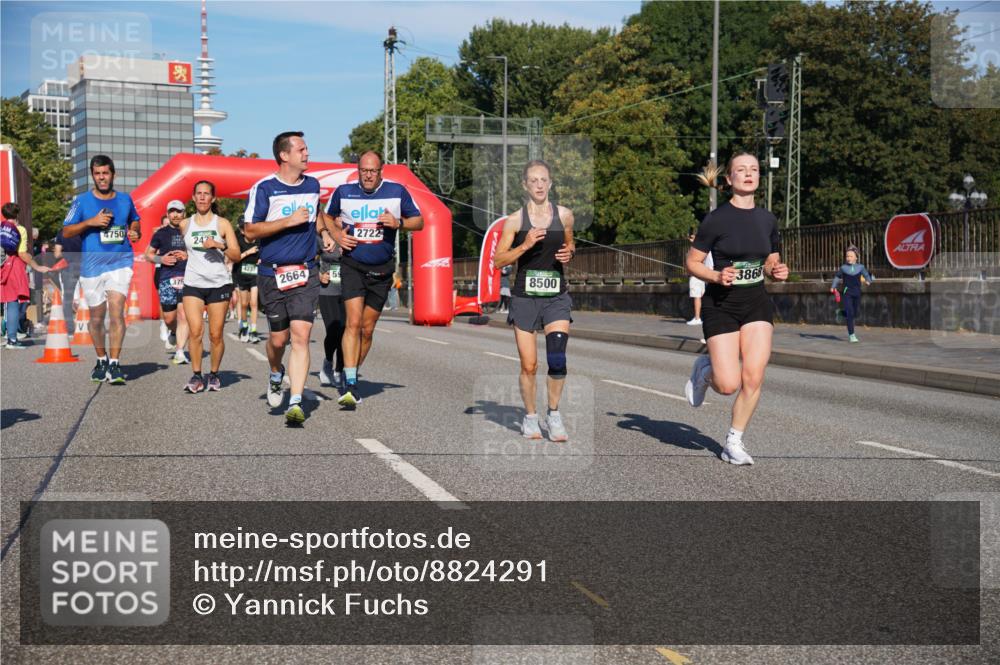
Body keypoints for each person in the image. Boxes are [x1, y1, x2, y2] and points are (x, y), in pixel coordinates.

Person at [684, 153, 789, 466]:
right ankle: (705, 370)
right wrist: (716, 275)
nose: (749, 174)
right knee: (728, 384)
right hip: (722, 306)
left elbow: (771, 259)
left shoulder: (767, 219)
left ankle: (734, 441)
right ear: (728, 179)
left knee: (754, 377)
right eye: (741, 170)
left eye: (754, 169)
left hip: (756, 303)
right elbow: (691, 262)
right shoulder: (716, 220)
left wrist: (776, 270)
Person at [244, 131, 332, 424]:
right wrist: (287, 222)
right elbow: (250, 231)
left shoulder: (313, 185)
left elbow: (316, 215)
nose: (307, 154)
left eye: (307, 149)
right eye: (302, 149)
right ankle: (274, 372)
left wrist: (324, 232)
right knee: (278, 340)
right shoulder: (265, 189)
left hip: (305, 271)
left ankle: (296, 400)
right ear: (284, 155)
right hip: (273, 273)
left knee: (301, 336)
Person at [325, 151, 423, 408]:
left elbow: (420, 221)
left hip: (381, 270)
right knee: (353, 324)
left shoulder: (397, 192)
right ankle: (350, 383)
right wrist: (336, 235)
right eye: (364, 170)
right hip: (352, 266)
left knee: (367, 330)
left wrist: (398, 222)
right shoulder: (344, 192)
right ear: (358, 170)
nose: (368, 175)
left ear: (381, 172)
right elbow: (324, 217)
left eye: (373, 171)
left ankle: (352, 372)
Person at [492, 160, 576, 442]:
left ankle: (553, 415)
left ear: (550, 183)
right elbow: (498, 260)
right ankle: (530, 417)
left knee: (557, 356)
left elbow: (569, 243)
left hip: (556, 296)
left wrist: (569, 253)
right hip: (525, 297)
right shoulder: (514, 221)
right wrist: (525, 245)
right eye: (533, 180)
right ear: (524, 185)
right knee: (529, 365)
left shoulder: (564, 215)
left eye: (543, 180)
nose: (539, 185)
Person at [60, 155, 141, 383]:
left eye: (105, 173)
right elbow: (66, 231)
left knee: (117, 310)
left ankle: (114, 364)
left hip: (120, 262)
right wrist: (91, 222)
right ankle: (101, 359)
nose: (101, 177)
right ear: (93, 176)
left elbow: (135, 221)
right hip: (92, 265)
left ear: (113, 174)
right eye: (97, 174)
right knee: (96, 318)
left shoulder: (125, 199)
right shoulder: (81, 201)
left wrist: (135, 231)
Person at [178, 181, 240, 392]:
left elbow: (236, 254)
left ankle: (213, 374)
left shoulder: (222, 224)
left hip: (218, 283)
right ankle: (196, 375)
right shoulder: (185, 224)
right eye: (199, 194)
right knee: (195, 332)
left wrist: (219, 245)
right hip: (193, 283)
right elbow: (175, 243)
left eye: (207, 194)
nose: (203, 197)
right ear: (193, 198)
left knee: (215, 334)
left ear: (213, 199)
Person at [145, 200, 191, 364]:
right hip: (167, 277)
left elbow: (200, 253)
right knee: (170, 319)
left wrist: (188, 256)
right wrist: (161, 258)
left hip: (187, 277)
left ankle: (180, 351)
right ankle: (173, 332)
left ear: (184, 213)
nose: (176, 215)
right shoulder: (160, 233)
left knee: (183, 315)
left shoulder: (190, 230)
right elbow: (147, 255)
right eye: (172, 211)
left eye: (179, 211)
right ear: (167, 214)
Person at [1, 204, 50, 349]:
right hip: (14, 266)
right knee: (13, 302)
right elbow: (22, 253)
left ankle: (9, 337)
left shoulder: (1, 227)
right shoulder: (20, 229)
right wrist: (37, 266)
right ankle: (12, 339)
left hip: (2, 265)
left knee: (8, 302)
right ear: (17, 215)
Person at [830, 245, 873, 343]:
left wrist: (868, 281)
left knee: (856, 313)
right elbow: (837, 277)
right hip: (847, 292)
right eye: (847, 256)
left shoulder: (860, 267)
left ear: (856, 257)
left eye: (851, 256)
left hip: (857, 292)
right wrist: (833, 286)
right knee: (850, 313)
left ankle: (840, 313)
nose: (848, 258)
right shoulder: (843, 268)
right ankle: (852, 335)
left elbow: (866, 275)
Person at [317, 243, 346, 390]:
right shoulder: (321, 236)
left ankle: (340, 370)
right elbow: (306, 260)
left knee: (345, 332)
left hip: (349, 291)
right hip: (327, 291)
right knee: (333, 331)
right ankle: (328, 362)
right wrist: (319, 274)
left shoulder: (353, 231)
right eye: (336, 217)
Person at [232, 216, 261, 343]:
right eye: (245, 228)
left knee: (254, 303)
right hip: (241, 274)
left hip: (255, 274)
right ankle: (244, 327)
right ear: (242, 231)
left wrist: (262, 259)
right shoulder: (237, 240)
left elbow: (264, 253)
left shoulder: (259, 239)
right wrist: (249, 252)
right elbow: (235, 258)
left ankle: (253, 330)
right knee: (243, 304)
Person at [54, 225, 83, 324]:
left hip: (68, 267)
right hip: (85, 265)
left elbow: (57, 254)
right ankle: (88, 323)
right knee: (90, 294)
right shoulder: (83, 229)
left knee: (68, 297)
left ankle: (69, 325)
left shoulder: (62, 232)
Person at [686, 227, 714, 327]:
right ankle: (699, 317)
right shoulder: (708, 244)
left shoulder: (701, 245)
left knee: (697, 295)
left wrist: (694, 243)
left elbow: (696, 258)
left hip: (698, 273)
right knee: (702, 296)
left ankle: (697, 317)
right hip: (705, 273)